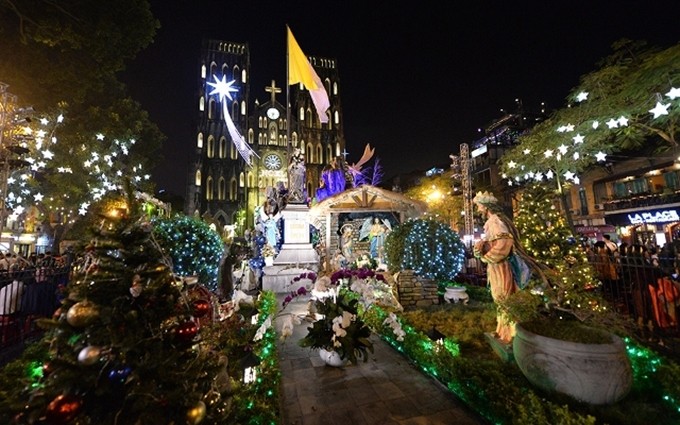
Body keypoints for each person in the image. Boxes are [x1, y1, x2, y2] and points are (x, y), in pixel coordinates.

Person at [472, 191, 544, 343]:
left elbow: (504, 244)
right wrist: (483, 247)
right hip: (497, 266)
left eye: (479, 206)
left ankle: (510, 334)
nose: (478, 209)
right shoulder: (493, 221)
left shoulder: (495, 221)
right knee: (501, 299)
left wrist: (487, 257)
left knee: (504, 298)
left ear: (485, 207)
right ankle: (503, 331)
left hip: (501, 266)